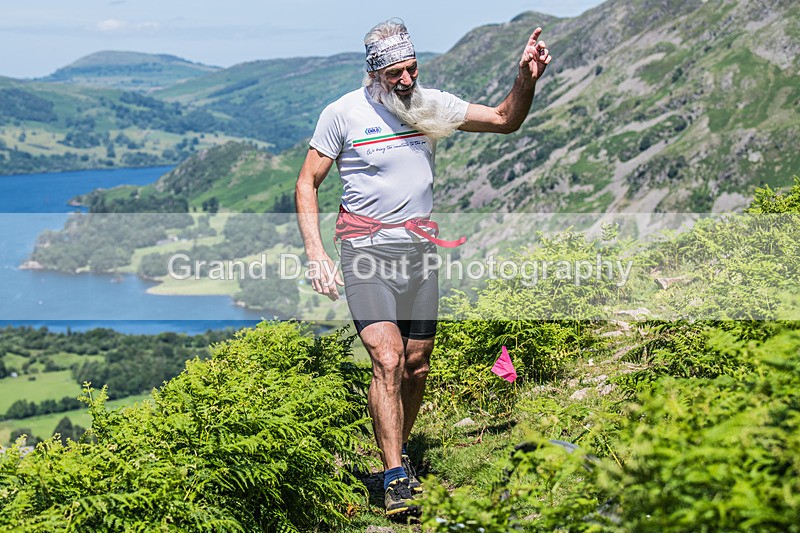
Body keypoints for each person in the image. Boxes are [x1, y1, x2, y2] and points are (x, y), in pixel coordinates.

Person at [295, 18, 551, 518]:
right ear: (374, 72)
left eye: (412, 68)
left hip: (419, 253)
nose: (407, 80)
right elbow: (308, 183)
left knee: (416, 365)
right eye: (396, 73)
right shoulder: (342, 114)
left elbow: (504, 120)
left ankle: (398, 457)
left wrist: (527, 79)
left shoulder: (429, 106)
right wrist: (316, 253)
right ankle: (394, 478)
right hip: (365, 251)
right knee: (387, 359)